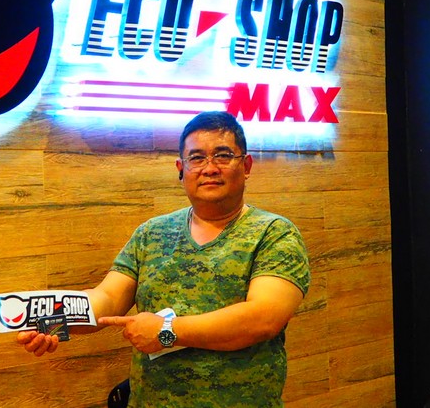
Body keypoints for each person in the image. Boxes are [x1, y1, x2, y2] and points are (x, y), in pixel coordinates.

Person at [18, 111, 310, 407]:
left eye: (223, 156)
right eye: (197, 158)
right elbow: (107, 298)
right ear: (181, 169)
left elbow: (263, 318)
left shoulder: (274, 233)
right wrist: (50, 321)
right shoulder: (152, 233)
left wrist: (168, 332)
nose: (210, 168)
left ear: (246, 166)